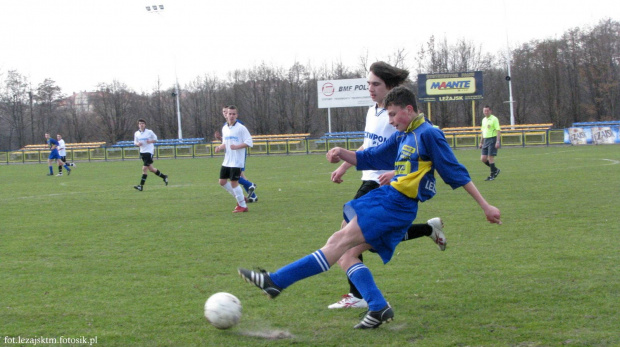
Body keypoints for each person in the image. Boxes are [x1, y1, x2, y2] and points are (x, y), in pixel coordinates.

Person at [238, 86, 501, 329]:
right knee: (346, 254)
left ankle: (276, 281)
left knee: (339, 241)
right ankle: (378, 307)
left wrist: (486, 206)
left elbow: (457, 173)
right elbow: (370, 156)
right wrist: (342, 153)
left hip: (396, 205)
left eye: (394, 114)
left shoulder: (428, 134)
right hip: (388, 199)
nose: (391, 121)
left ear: (409, 110)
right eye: (388, 115)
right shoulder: (405, 135)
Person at [328, 61, 446, 310]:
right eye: (368, 83)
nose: (370, 88)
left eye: (375, 84)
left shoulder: (399, 114)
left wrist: (396, 171)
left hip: (386, 183)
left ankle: (358, 296)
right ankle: (427, 230)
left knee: (348, 237)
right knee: (364, 238)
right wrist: (343, 166)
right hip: (368, 177)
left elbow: (418, 145)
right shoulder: (373, 112)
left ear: (389, 86)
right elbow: (367, 147)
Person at [215, 105, 253, 213]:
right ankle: (240, 198)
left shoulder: (241, 128)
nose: (231, 116)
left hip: (236, 161)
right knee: (222, 182)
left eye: (233, 114)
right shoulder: (225, 128)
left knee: (233, 182)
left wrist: (237, 147)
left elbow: (249, 142)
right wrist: (219, 147)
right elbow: (225, 143)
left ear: (236, 115)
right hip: (227, 160)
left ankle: (243, 206)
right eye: (229, 113)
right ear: (226, 114)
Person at [133, 119, 168, 191]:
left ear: (145, 125)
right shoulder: (136, 133)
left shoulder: (149, 132)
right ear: (138, 125)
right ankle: (164, 176)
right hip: (142, 152)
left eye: (142, 123)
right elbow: (135, 142)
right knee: (151, 169)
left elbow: (156, 139)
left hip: (149, 152)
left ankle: (141, 186)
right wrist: (137, 144)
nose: (141, 125)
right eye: (140, 124)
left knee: (144, 168)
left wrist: (150, 141)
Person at [479, 105, 501, 181]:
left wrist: (497, 141)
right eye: (484, 111)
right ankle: (495, 170)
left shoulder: (494, 119)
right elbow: (483, 131)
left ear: (490, 111)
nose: (486, 112)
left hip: (492, 139)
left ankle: (492, 175)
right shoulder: (483, 120)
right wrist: (481, 142)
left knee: (490, 157)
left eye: (487, 110)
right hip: (485, 140)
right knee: (483, 158)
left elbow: (498, 130)